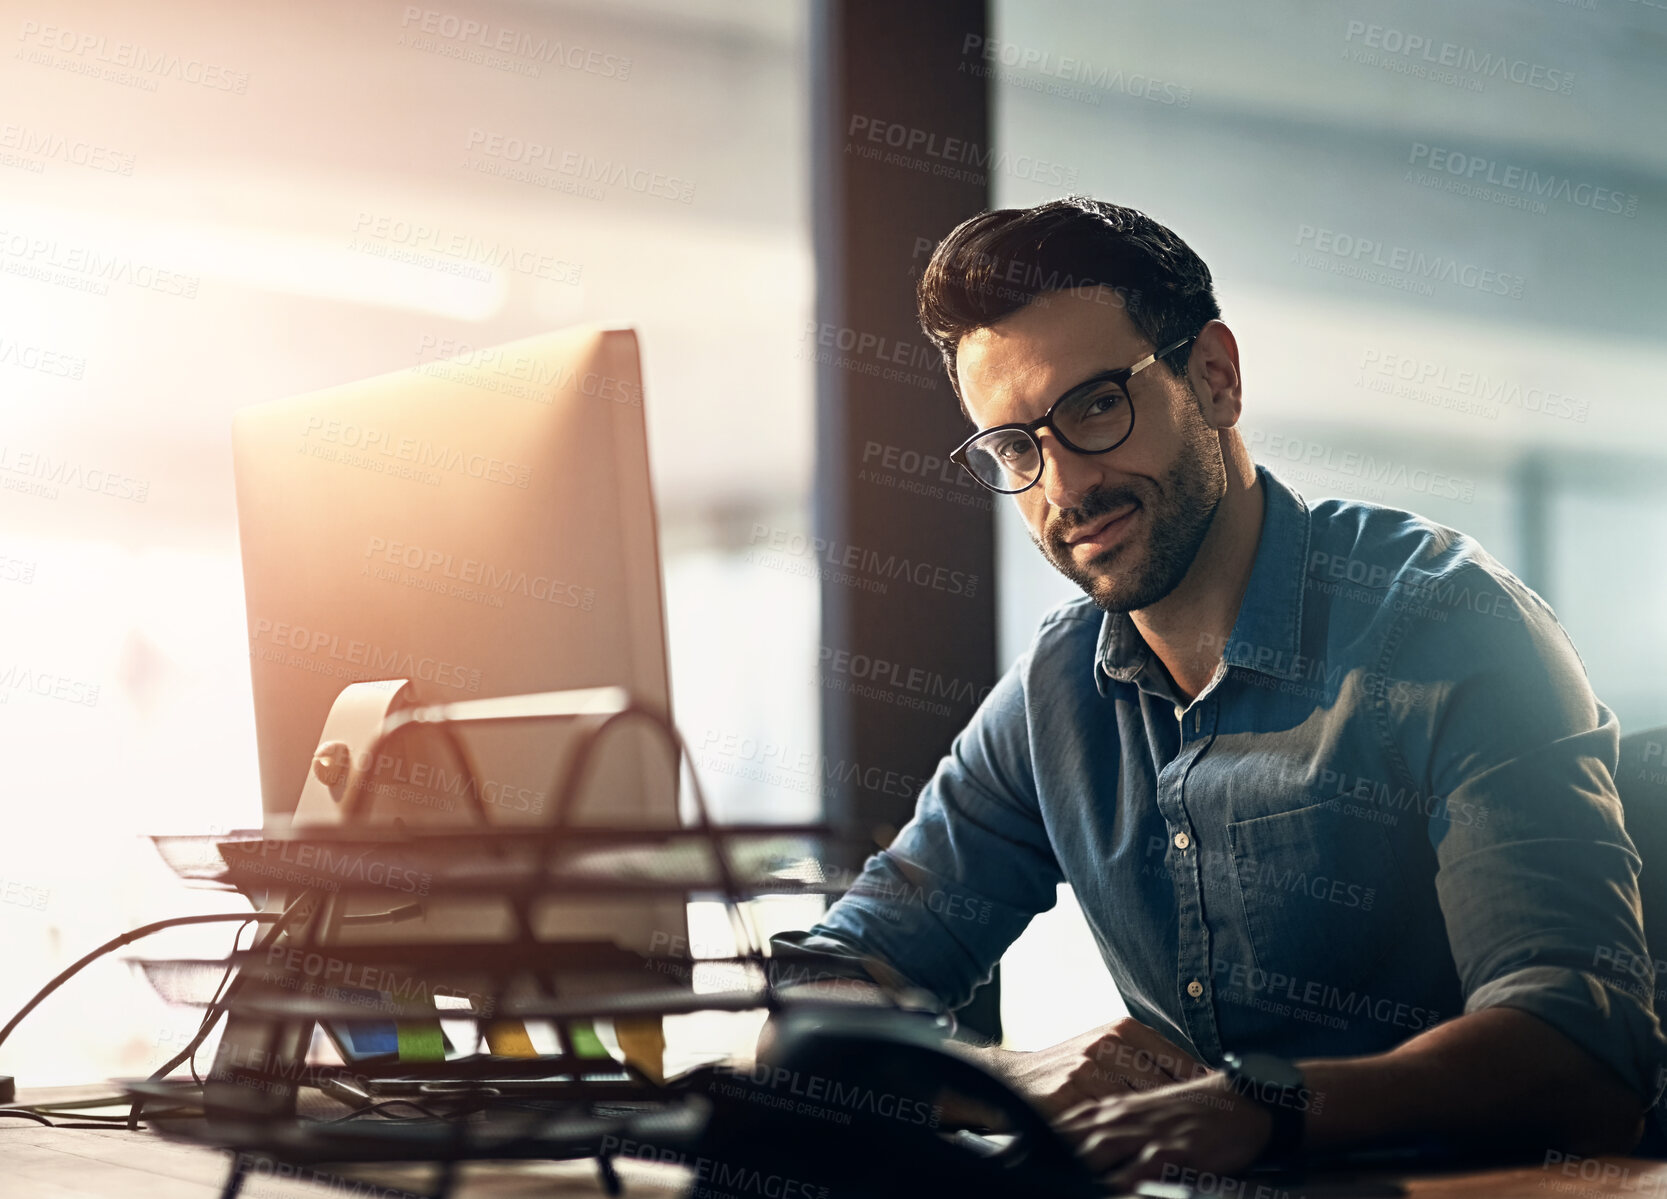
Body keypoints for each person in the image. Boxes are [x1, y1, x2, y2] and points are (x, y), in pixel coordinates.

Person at [769, 196, 1666, 1189]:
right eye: (1016, 448)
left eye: (1094, 406)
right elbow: (819, 1002)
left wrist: (1257, 1103)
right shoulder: (1056, 697)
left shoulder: (1441, 628)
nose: (1062, 485)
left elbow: (1582, 1049)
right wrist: (1003, 1075)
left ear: (1214, 378)